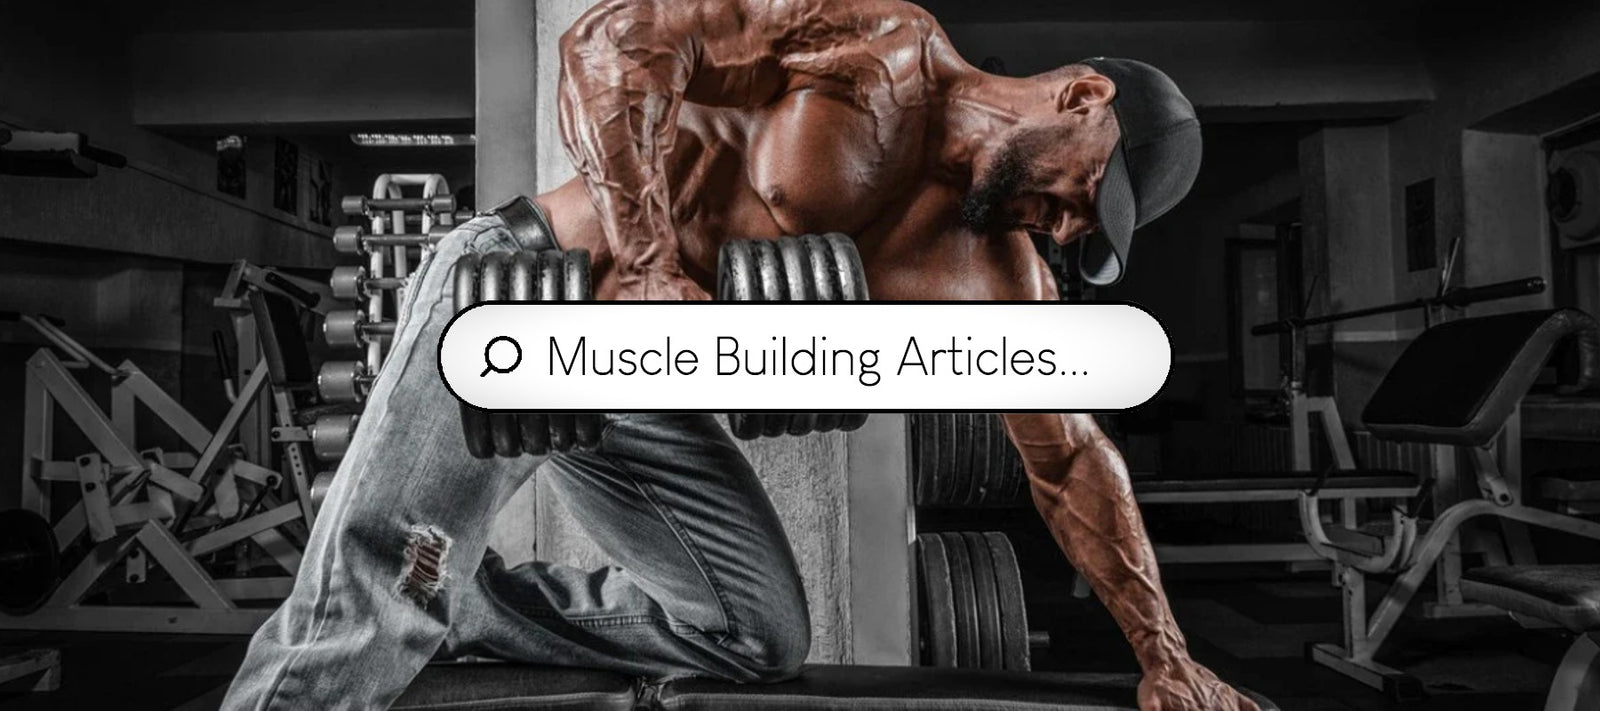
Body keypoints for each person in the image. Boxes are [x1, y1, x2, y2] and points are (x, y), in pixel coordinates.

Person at [224, 1, 1256, 709]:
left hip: (641, 385)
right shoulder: (878, 46)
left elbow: (1071, 462)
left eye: (1095, 227)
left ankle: (451, 599)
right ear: (1081, 97)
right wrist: (643, 255)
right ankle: (400, 596)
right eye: (1093, 188)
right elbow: (611, 40)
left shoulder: (1000, 274)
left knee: (753, 637)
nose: (1075, 224)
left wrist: (1164, 656)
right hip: (529, 295)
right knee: (369, 601)